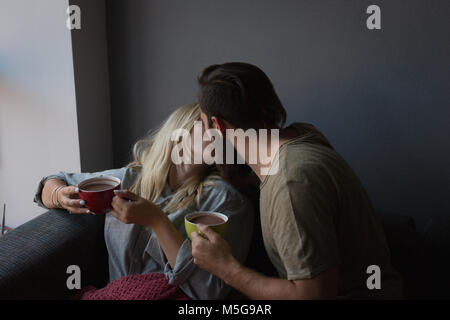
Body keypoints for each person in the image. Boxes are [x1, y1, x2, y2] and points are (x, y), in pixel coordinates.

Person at [190, 62, 403, 299]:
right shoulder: (303, 135)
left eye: (204, 123)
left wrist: (225, 268)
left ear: (218, 126)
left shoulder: (291, 182)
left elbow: (312, 296)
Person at [34, 103, 254, 300]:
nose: (219, 133)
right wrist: (59, 195)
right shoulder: (129, 178)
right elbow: (51, 182)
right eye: (208, 125)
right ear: (180, 130)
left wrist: (156, 220)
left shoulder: (227, 201)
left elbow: (208, 291)